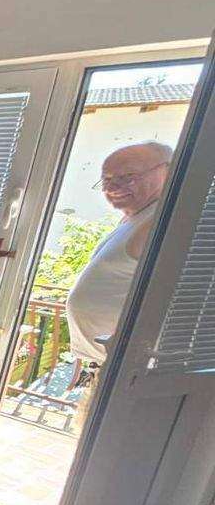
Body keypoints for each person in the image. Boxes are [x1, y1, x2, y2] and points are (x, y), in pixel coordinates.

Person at [66, 141, 172, 363]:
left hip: (127, 367)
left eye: (128, 177)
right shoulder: (135, 218)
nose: (112, 188)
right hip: (106, 361)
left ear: (168, 171)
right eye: (107, 180)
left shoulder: (165, 220)